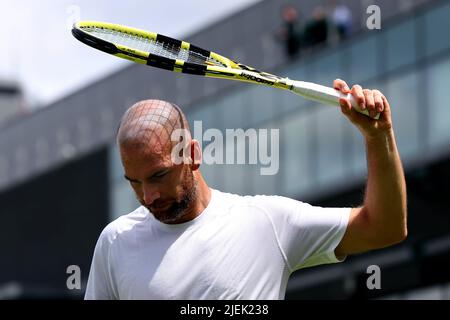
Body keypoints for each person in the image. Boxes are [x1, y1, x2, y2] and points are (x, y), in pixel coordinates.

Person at [84, 80, 407, 299]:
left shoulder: (266, 222)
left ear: (193, 154)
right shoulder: (115, 242)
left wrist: (378, 137)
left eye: (158, 176)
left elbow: (384, 227)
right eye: (134, 183)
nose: (148, 197)